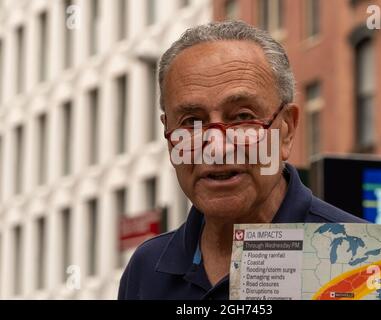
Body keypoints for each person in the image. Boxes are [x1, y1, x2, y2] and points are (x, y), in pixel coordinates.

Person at [118, 20, 365, 300]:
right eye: (192, 122)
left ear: (287, 130)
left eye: (242, 117)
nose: (216, 147)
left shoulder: (363, 259)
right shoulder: (147, 269)